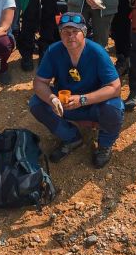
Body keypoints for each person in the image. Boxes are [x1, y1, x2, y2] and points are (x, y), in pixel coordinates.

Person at [28, 12, 124, 168]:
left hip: (93, 104)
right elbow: (39, 82)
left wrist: (83, 99)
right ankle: (71, 137)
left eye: (75, 31)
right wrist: (52, 99)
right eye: (65, 32)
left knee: (114, 106)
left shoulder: (97, 52)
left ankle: (105, 145)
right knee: (37, 103)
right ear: (60, 34)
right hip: (66, 104)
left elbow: (115, 88)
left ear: (84, 33)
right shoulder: (54, 51)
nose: (70, 36)